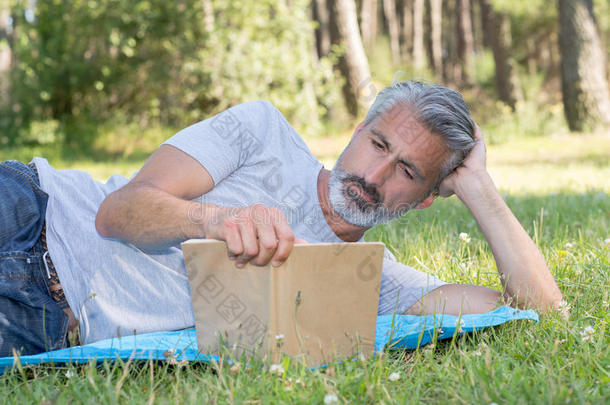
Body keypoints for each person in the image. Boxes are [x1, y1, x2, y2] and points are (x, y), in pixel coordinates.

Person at [0, 81, 563, 357]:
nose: (374, 175)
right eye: (378, 143)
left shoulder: (373, 280)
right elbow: (118, 212)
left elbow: (540, 311)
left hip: (44, 323)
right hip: (36, 212)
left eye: (408, 172)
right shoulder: (263, 132)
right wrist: (216, 220)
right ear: (356, 131)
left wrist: (480, 188)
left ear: (425, 199)